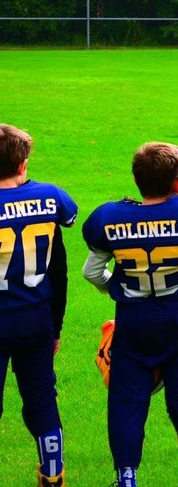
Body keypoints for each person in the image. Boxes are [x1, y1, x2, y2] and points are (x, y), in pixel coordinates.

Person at [81, 142, 178, 487]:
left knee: (127, 401)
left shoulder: (109, 217)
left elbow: (92, 273)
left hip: (133, 318)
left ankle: (127, 478)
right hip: (177, 315)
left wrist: (115, 287)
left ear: (136, 179)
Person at [0, 124, 78, 487]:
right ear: (23, 163)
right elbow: (60, 265)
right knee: (43, 400)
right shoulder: (51, 197)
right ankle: (53, 475)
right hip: (35, 317)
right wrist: (56, 326)